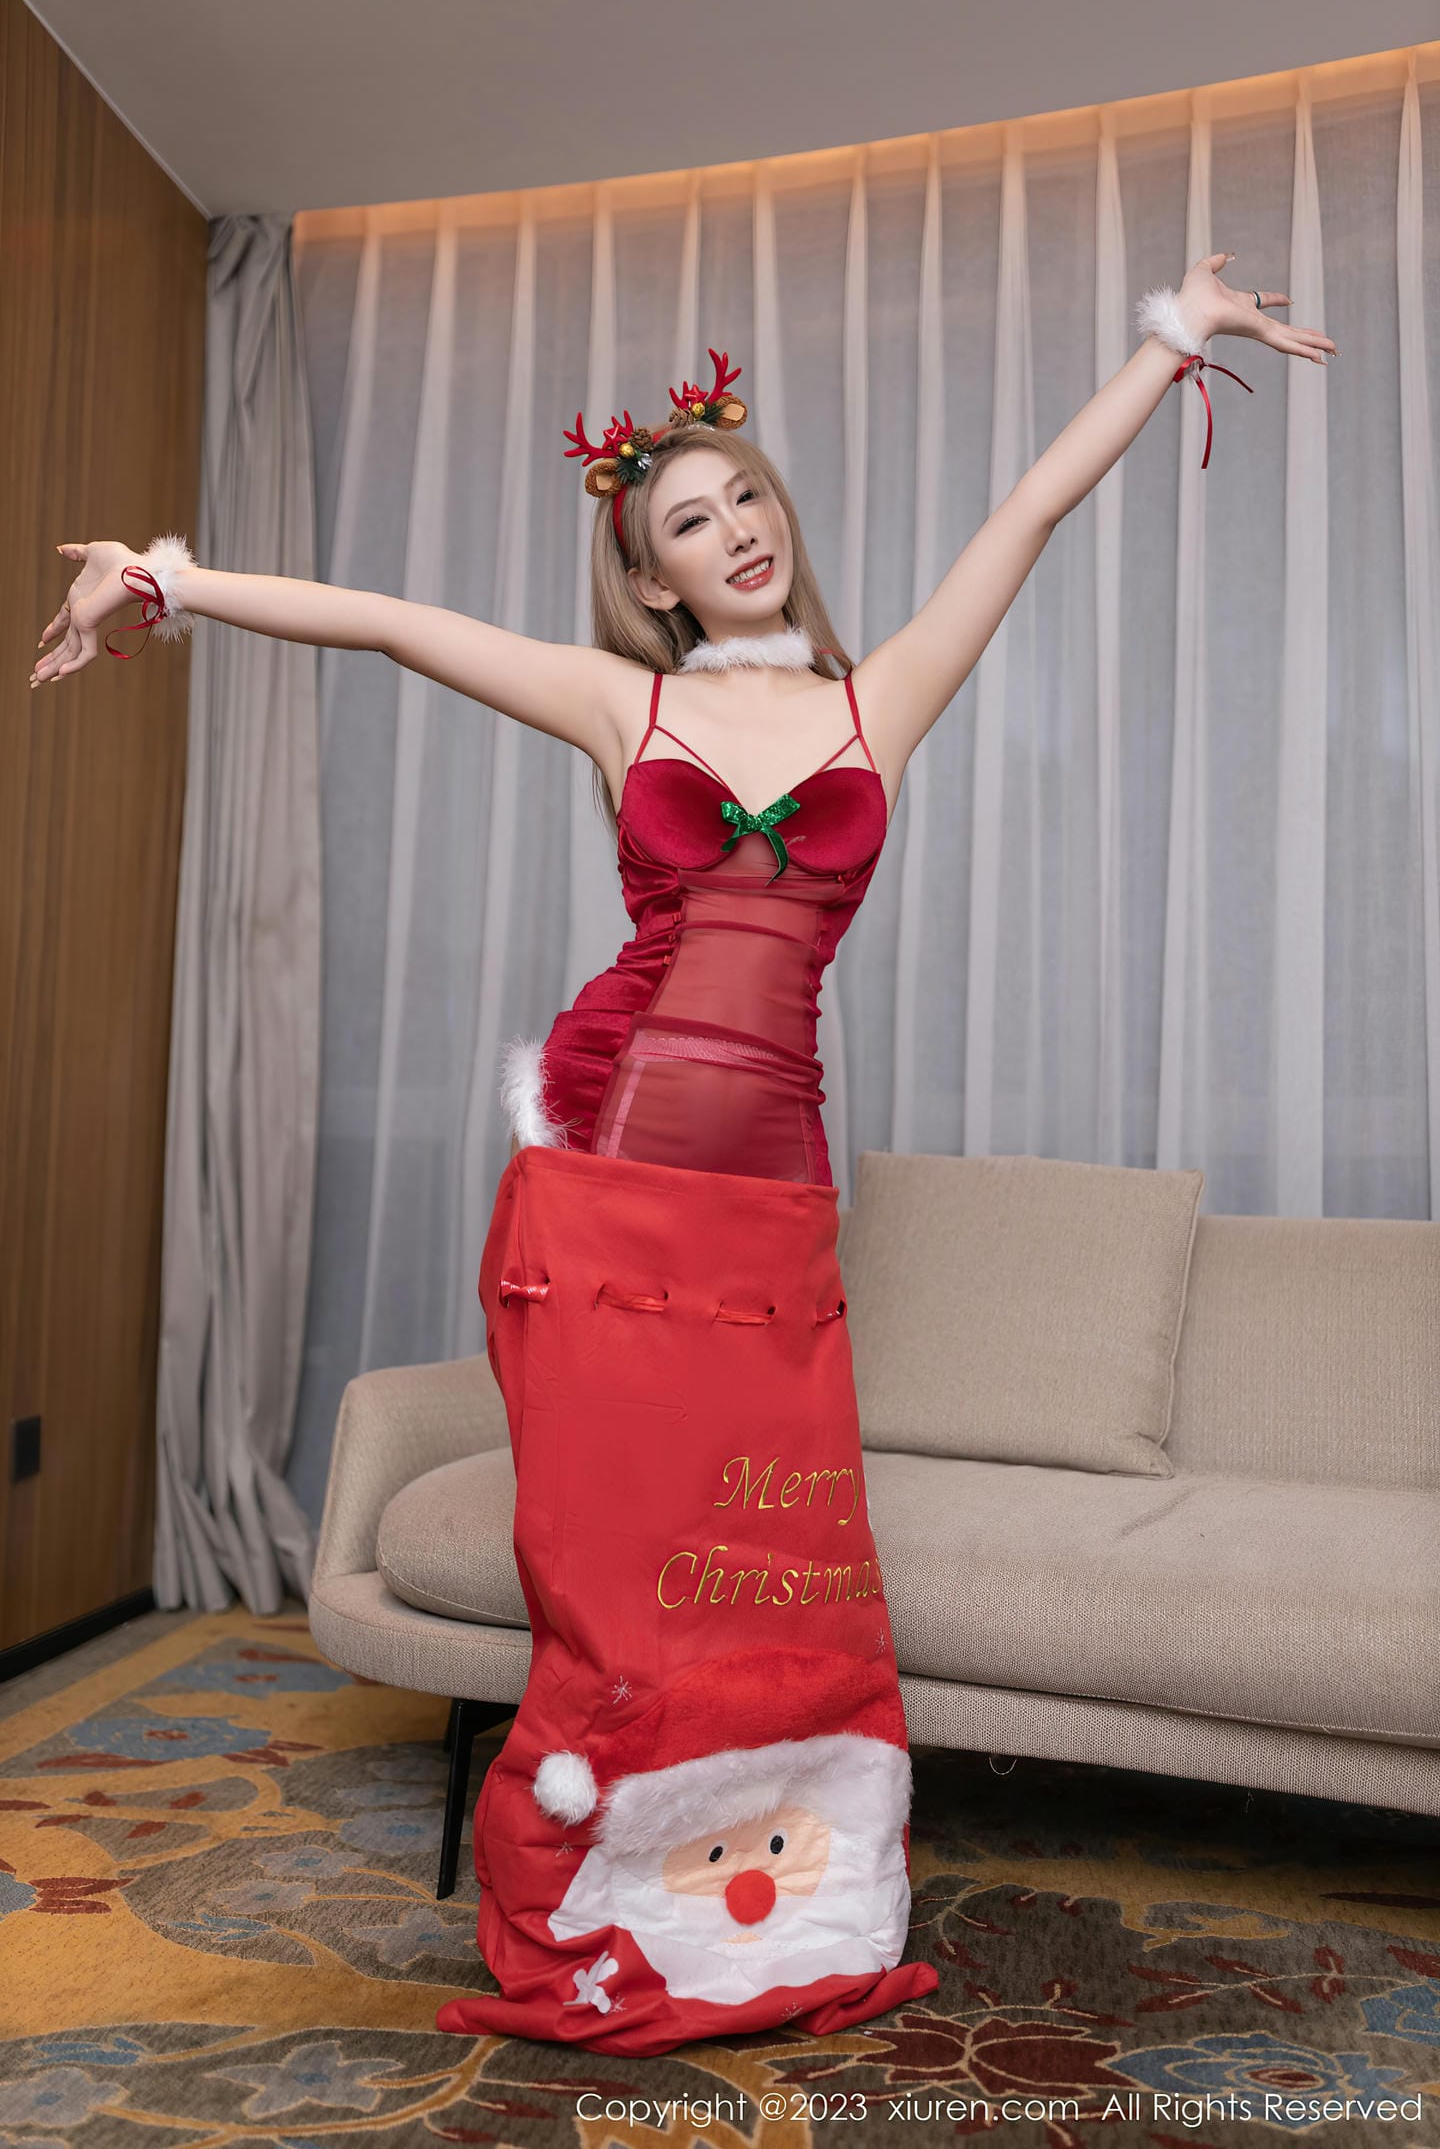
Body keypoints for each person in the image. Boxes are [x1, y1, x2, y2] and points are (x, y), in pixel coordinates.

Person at [33, 254, 1334, 2055]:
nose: (736, 533)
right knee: (623, 1557)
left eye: (747, 500)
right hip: (613, 1173)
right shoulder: (619, 706)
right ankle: (606, 1902)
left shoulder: (881, 702)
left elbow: (1029, 513)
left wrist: (1172, 339)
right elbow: (394, 622)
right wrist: (166, 579)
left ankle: (774, 1910)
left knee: (769, 1548)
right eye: (692, 523)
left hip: (774, 1193)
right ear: (649, 576)